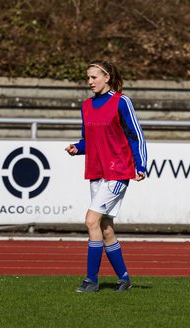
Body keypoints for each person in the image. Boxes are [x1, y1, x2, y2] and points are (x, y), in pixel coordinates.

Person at [65, 59, 147, 292]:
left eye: (94, 77)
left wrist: (140, 165)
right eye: (88, 78)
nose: (89, 82)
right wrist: (76, 148)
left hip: (118, 170)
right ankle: (124, 278)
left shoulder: (122, 102)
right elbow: (88, 141)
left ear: (107, 77)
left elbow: (136, 136)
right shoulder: (86, 106)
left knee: (91, 220)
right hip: (97, 171)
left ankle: (91, 280)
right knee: (105, 227)